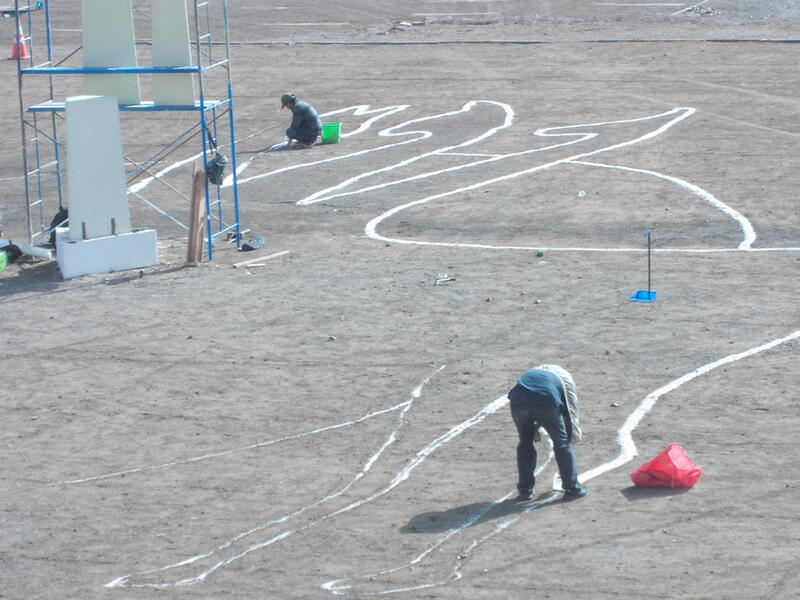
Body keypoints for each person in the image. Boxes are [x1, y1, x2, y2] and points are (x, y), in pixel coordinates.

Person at [507, 364, 588, 501]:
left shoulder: (535, 373)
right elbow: (570, 417)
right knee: (560, 442)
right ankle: (572, 488)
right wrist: (568, 441)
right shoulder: (566, 382)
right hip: (545, 400)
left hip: (517, 398)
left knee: (525, 442)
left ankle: (525, 491)